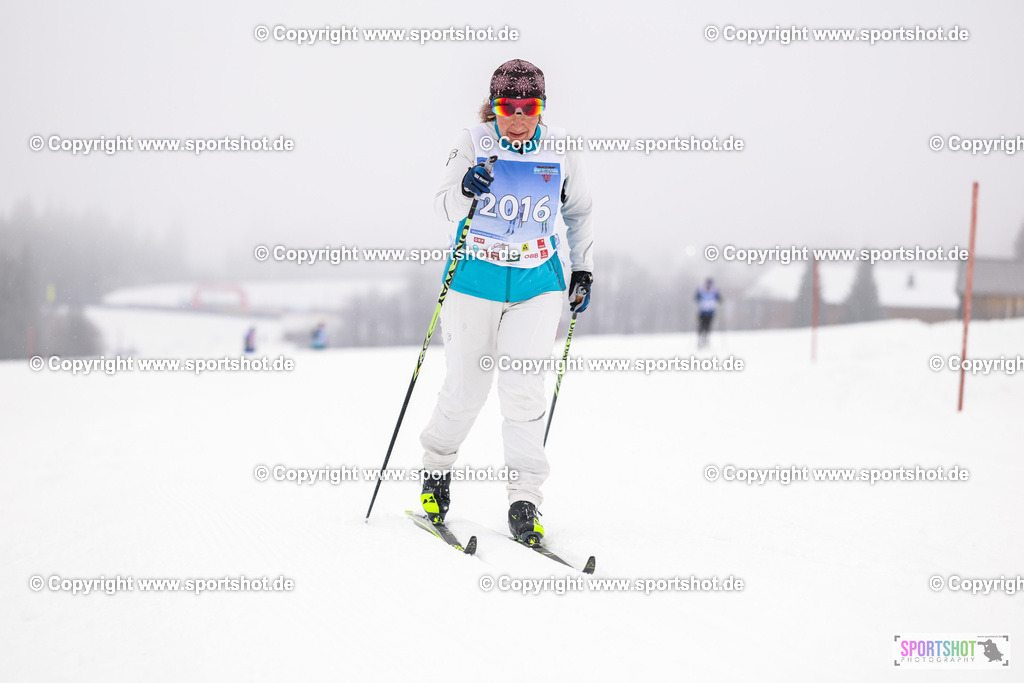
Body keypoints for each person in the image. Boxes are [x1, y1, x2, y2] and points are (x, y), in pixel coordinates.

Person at [419, 59, 594, 545]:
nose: (517, 118)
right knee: (467, 387)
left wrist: (583, 268)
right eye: (507, 107)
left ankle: (524, 500)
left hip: (538, 284)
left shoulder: (562, 147)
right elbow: (443, 205)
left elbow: (579, 211)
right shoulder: (475, 142)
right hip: (476, 281)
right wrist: (464, 187)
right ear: (494, 107)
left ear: (542, 108)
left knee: (523, 391)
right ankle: (436, 468)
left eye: (528, 107)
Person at [695, 278, 721, 348]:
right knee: (701, 326)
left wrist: (720, 300)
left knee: (708, 326)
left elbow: (720, 299)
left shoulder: (714, 292)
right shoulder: (701, 291)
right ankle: (700, 340)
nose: (708, 287)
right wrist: (697, 298)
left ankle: (706, 339)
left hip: (710, 312)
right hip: (702, 312)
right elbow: (696, 298)